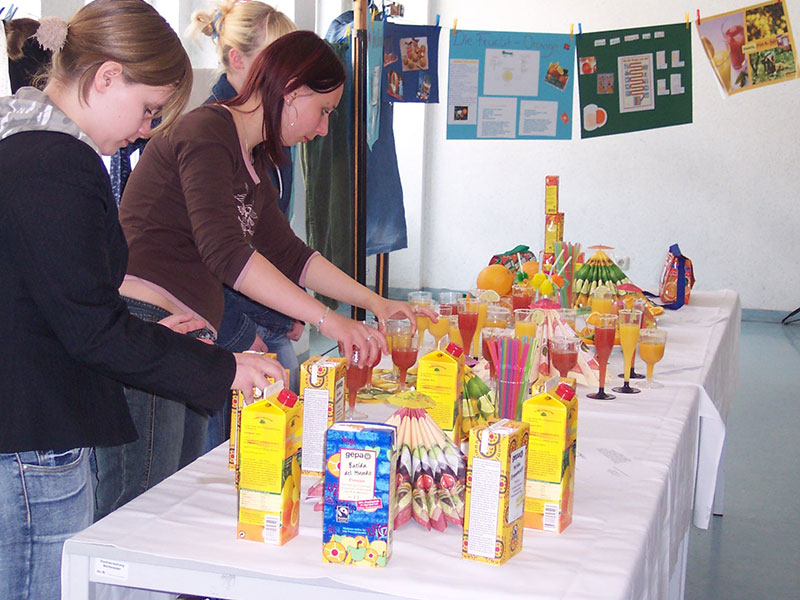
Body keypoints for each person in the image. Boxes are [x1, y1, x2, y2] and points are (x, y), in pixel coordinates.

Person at [0, 3, 286, 599]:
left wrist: (154, 337)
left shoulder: (23, 137)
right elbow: (92, 329)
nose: (146, 128)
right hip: (34, 440)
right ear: (107, 77)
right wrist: (223, 368)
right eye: (149, 109)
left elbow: (57, 299)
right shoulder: (57, 161)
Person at [101, 29, 431, 520]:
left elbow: (292, 255)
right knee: (142, 502)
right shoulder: (206, 131)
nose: (323, 129)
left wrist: (374, 303)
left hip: (193, 335)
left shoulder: (253, 157)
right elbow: (226, 254)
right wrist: (329, 321)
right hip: (151, 322)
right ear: (292, 90)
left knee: (176, 495)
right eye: (323, 111)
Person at [191, 1, 301, 454]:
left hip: (265, 315)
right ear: (237, 60)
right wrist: (240, 330)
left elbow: (276, 240)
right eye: (276, 66)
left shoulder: (266, 133)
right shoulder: (209, 134)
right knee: (228, 458)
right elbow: (215, 256)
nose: (288, 83)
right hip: (230, 324)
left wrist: (294, 308)